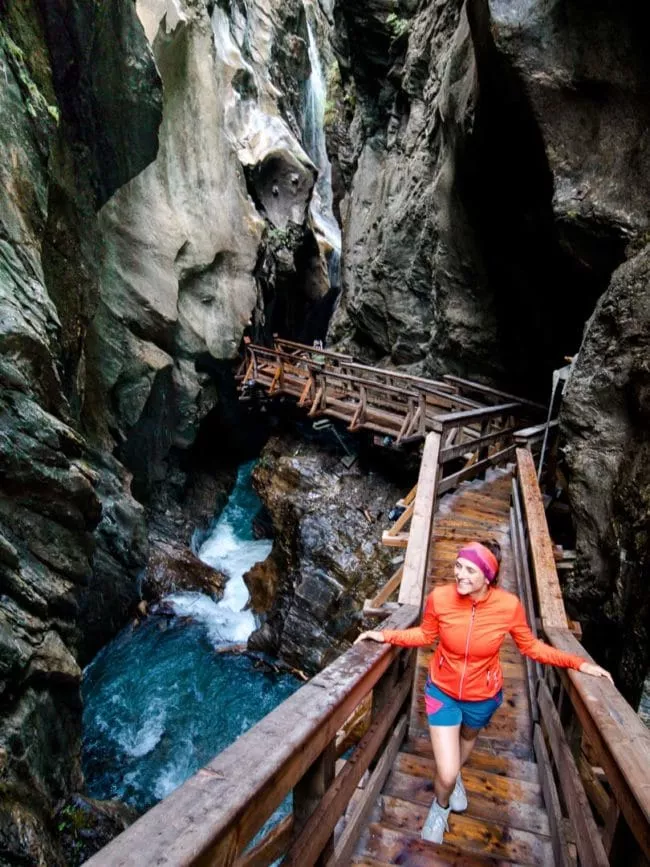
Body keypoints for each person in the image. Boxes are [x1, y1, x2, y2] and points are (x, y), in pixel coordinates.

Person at [357, 539, 612, 844]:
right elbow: (425, 634)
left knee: (467, 739)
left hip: (483, 697)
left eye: (470, 570)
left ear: (488, 577)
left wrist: (579, 664)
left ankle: (456, 781)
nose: (459, 575)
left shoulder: (508, 607)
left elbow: (531, 647)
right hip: (442, 691)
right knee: (447, 772)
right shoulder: (440, 598)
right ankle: (440, 808)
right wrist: (384, 635)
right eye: (458, 566)